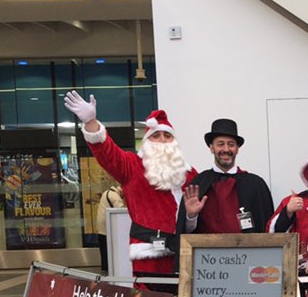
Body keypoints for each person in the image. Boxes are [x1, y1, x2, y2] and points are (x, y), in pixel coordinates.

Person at [64, 91, 197, 276]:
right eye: (156, 136)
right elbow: (107, 153)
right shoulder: (132, 167)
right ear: (147, 141)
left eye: (167, 136)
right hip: (147, 258)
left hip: (184, 255)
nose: (162, 141)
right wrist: (91, 123)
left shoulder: (189, 175)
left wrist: (191, 217)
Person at [177, 119, 274, 241]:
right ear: (212, 148)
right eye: (220, 144)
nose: (226, 149)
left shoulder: (256, 184)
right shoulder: (198, 184)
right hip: (208, 257)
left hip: (247, 256)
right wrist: (191, 216)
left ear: (237, 149)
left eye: (231, 144)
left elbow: (267, 230)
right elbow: (185, 234)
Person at [95, 184, 125, 271]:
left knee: (104, 251)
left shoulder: (107, 192)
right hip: (107, 228)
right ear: (122, 192)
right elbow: (121, 211)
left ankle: (105, 268)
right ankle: (109, 270)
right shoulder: (116, 197)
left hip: (102, 227)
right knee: (108, 251)